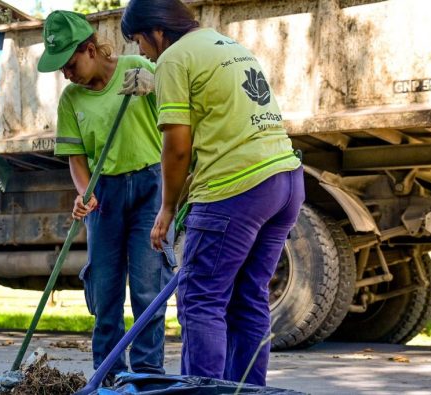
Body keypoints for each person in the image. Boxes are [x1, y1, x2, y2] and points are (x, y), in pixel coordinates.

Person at [121, 0, 305, 386]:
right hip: (285, 180)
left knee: (201, 298)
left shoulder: (173, 58)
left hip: (237, 188)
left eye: (138, 40)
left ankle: (202, 392)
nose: (141, 52)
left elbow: (177, 147)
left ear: (157, 31)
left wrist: (167, 208)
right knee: (249, 296)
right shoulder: (228, 45)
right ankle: (247, 391)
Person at [37, 10, 174, 384]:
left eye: (69, 63)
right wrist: (86, 194)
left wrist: (156, 82)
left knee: (147, 289)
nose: (66, 73)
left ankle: (147, 377)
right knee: (105, 291)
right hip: (105, 196)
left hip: (150, 188)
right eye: (61, 69)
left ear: (91, 49)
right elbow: (77, 161)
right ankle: (110, 376)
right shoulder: (71, 100)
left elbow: (176, 116)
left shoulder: (135, 67)